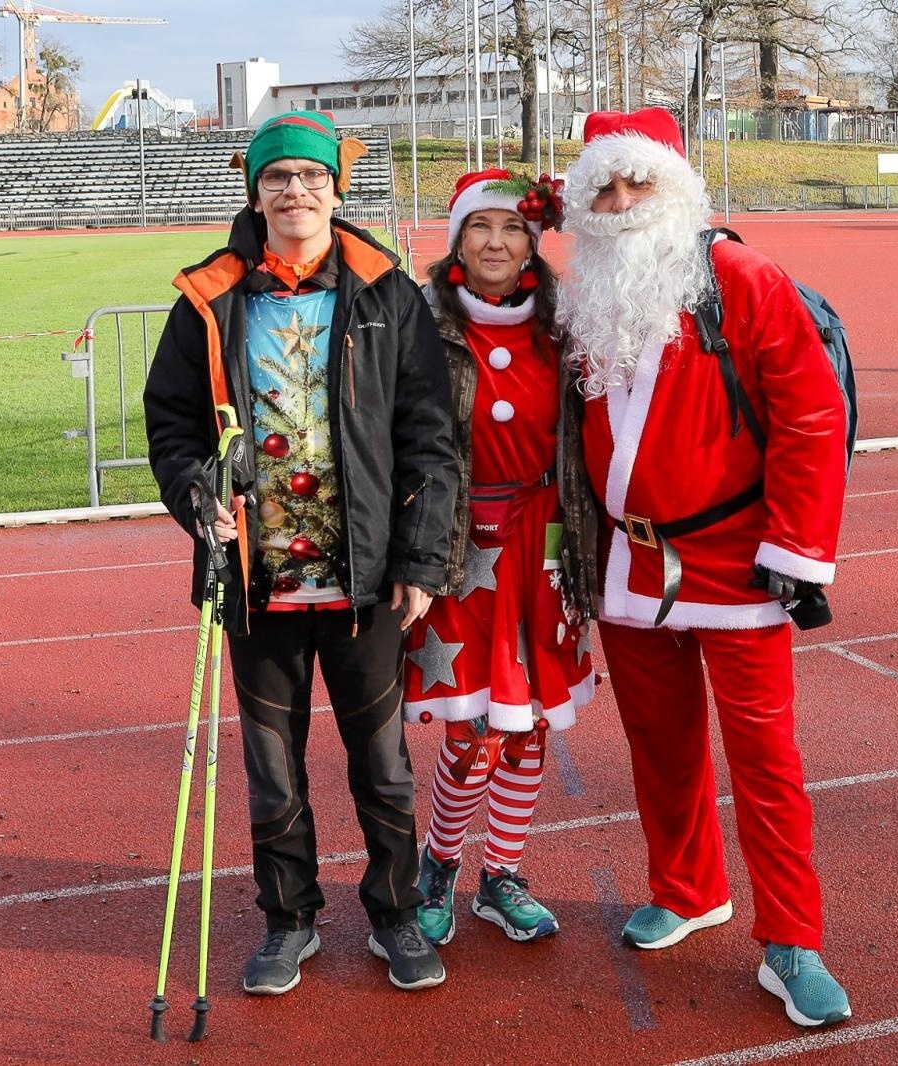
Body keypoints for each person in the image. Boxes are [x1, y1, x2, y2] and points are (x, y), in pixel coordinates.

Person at [143, 111, 459, 996]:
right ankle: (289, 920)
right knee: (272, 771)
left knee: (384, 767)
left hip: (366, 579)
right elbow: (172, 425)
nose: (295, 191)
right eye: (278, 177)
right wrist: (196, 497)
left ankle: (395, 915)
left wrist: (420, 561)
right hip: (258, 578)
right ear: (255, 193)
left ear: (334, 189)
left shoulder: (387, 293)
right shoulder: (210, 298)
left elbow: (430, 439)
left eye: (311, 176)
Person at [558, 108, 853, 1028]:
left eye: (637, 181)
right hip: (631, 561)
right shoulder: (582, 289)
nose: (620, 202)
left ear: (677, 185)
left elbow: (810, 416)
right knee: (661, 745)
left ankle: (792, 940)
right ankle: (688, 889)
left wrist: (796, 551)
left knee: (765, 759)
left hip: (737, 560)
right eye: (604, 187)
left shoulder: (742, 279)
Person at [404, 169, 598, 947]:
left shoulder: (567, 324)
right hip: (458, 545)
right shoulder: (420, 323)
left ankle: (502, 873)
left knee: (530, 724)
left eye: (513, 227)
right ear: (456, 238)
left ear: (533, 241)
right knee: (473, 728)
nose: (495, 241)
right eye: (479, 226)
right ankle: (440, 862)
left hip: (543, 543)